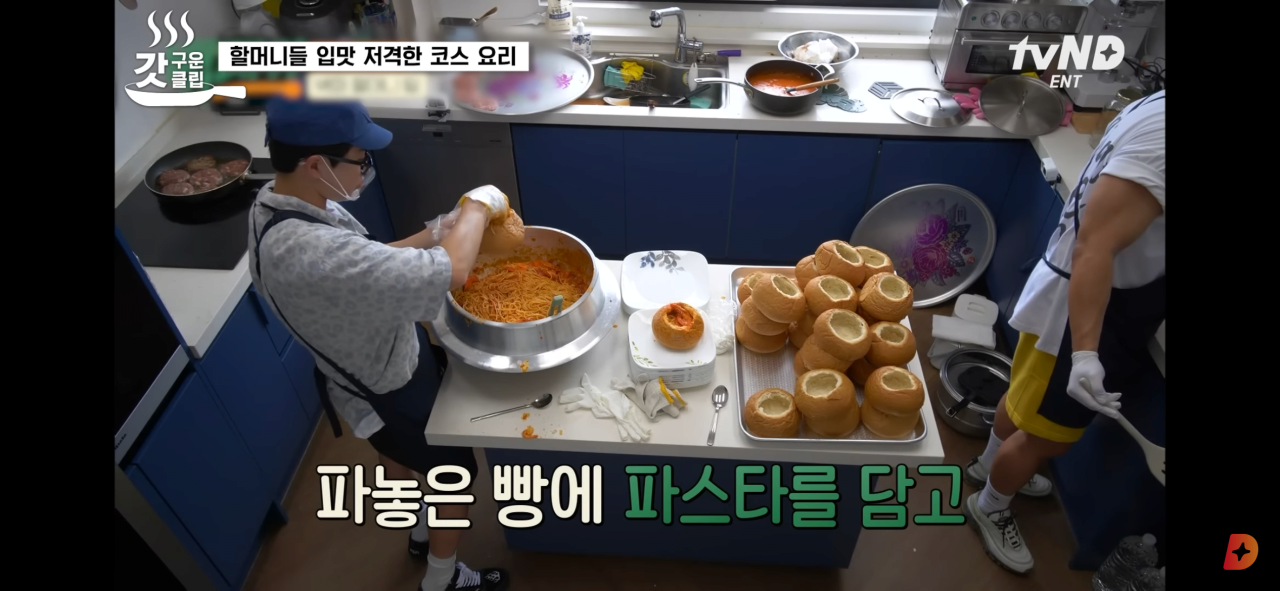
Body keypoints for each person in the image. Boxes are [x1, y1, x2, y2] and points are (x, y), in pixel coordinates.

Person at [247, 97, 511, 591]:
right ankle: (441, 579)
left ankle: (422, 531)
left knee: (409, 458)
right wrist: (477, 205)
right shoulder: (308, 250)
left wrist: (434, 232)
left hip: (362, 369)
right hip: (388, 384)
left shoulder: (278, 203)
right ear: (315, 164)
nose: (367, 167)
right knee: (453, 475)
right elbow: (452, 272)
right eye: (360, 158)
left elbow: (362, 261)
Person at [963, 90, 1165, 574]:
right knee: (1048, 438)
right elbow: (1095, 247)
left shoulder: (1156, 105)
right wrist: (1086, 355)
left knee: (1025, 402)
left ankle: (989, 465)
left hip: (1077, 294)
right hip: (1087, 310)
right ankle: (990, 505)